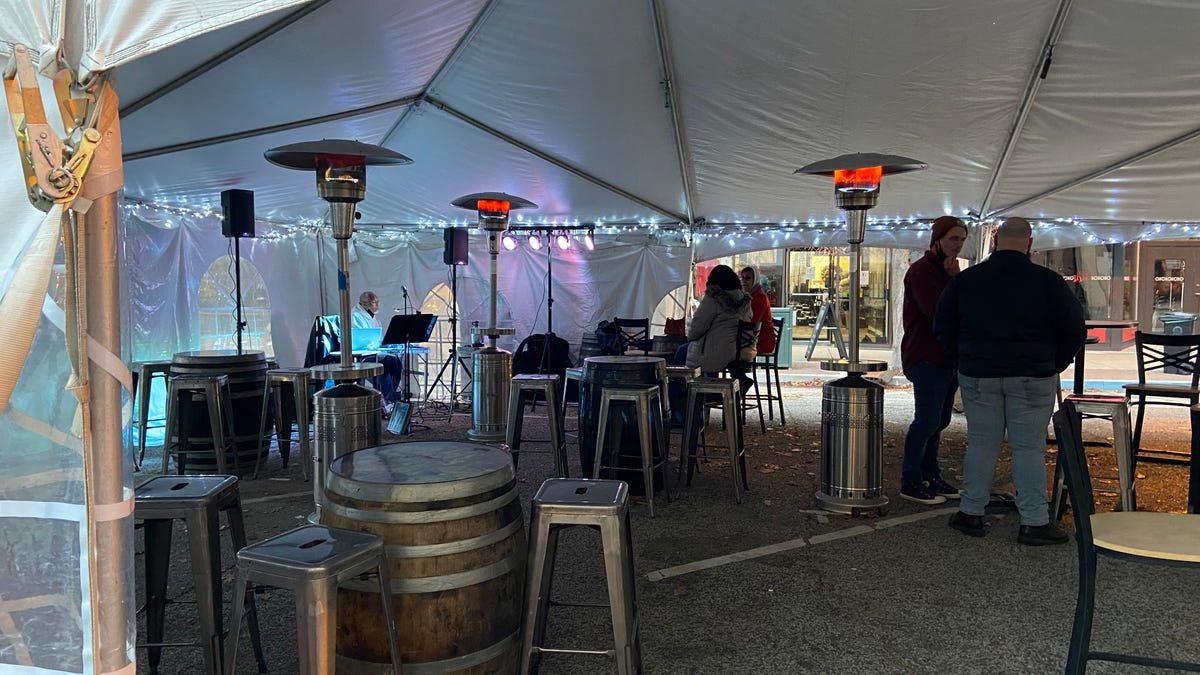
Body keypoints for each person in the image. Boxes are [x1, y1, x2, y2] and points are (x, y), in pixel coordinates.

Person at [934, 217, 1086, 546]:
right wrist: (1054, 363)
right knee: (1028, 447)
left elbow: (942, 325)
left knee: (982, 443)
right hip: (1033, 374)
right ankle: (1034, 522)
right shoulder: (1049, 282)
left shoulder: (967, 280)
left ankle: (971, 513)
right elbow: (1075, 330)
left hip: (979, 373)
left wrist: (965, 357)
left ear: (995, 240)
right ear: (1030, 243)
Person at [898, 216, 968, 505]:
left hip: (946, 357)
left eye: (962, 240)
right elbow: (937, 310)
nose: (958, 245)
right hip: (925, 356)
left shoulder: (946, 270)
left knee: (938, 420)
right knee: (926, 420)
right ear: (937, 239)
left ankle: (930, 473)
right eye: (953, 239)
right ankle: (911, 479)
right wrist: (954, 282)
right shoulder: (923, 271)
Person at [684, 264, 753, 376]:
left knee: (680, 352)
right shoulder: (744, 300)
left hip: (715, 353)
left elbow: (696, 330)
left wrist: (688, 335)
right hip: (740, 351)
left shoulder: (713, 299)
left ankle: (681, 391)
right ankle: (712, 389)